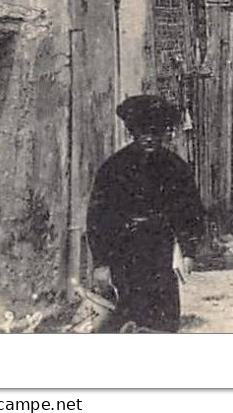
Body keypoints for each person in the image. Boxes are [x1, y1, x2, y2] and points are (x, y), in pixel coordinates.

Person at [85, 94, 205, 332]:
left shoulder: (176, 168)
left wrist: (189, 251)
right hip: (124, 254)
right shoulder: (113, 168)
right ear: (132, 132)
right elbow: (98, 217)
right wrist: (101, 263)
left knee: (163, 318)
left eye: (155, 132)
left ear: (163, 133)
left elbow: (190, 211)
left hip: (160, 253)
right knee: (127, 318)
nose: (149, 138)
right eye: (142, 132)